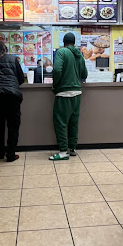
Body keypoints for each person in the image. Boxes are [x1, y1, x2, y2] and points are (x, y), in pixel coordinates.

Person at [49, 33, 88, 161]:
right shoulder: (79, 55)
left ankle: (63, 152)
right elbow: (84, 74)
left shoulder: (62, 52)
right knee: (73, 122)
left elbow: (56, 70)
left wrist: (56, 85)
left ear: (64, 42)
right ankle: (72, 148)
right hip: (77, 93)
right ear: (74, 42)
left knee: (60, 122)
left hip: (64, 93)